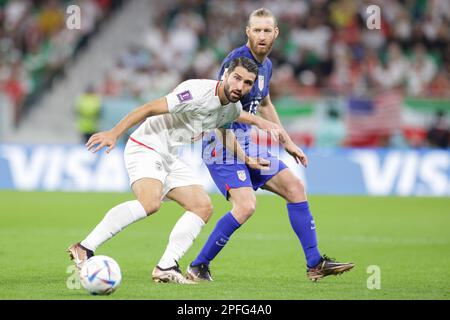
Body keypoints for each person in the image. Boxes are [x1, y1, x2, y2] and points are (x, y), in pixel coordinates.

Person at [67, 57, 278, 284]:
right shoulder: (196, 92)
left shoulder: (233, 108)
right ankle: (84, 247)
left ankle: (166, 266)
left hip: (169, 154)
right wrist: (114, 133)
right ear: (226, 74)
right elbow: (148, 108)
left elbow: (224, 133)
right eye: (237, 78)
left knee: (202, 206)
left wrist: (248, 160)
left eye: (247, 83)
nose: (240, 86)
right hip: (146, 145)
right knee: (150, 202)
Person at [185, 8, 354, 282]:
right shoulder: (236, 63)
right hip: (221, 143)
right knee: (246, 206)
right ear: (247, 33)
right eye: (256, 30)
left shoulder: (267, 65)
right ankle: (197, 266)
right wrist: (248, 157)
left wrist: (288, 142)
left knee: (295, 187)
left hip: (246, 142)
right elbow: (219, 116)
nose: (262, 36)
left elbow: (265, 103)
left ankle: (315, 263)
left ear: (276, 33)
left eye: (267, 30)